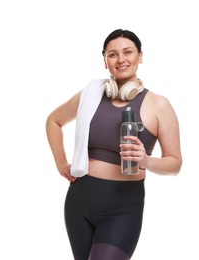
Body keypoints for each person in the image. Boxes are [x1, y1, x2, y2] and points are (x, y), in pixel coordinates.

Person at [46, 29, 182, 260]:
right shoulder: (90, 95)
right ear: (105, 61)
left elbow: (175, 164)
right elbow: (54, 121)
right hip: (78, 202)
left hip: (122, 209)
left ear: (140, 55)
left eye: (128, 52)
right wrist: (61, 162)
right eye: (112, 54)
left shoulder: (159, 105)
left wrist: (146, 161)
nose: (121, 59)